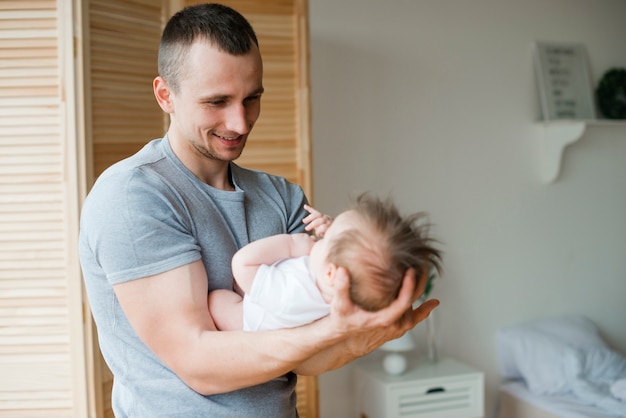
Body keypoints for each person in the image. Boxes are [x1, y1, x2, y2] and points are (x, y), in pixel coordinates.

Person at [78, 3, 440, 417]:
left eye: (252, 98)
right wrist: (337, 330)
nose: (240, 122)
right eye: (217, 101)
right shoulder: (132, 196)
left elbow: (306, 356)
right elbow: (198, 363)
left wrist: (359, 333)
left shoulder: (283, 197)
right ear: (166, 96)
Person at [209, 193, 442, 332]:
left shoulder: (293, 294)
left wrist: (292, 243)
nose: (317, 236)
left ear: (332, 274)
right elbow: (345, 249)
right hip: (267, 294)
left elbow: (243, 264)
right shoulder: (341, 292)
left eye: (325, 238)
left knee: (217, 300)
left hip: (251, 321)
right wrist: (331, 229)